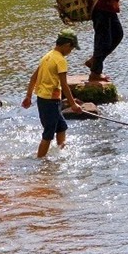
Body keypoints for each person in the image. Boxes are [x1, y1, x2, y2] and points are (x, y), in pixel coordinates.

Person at [22, 29, 83, 158]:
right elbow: (64, 85)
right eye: (71, 49)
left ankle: (61, 153)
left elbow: (33, 78)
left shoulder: (47, 56)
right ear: (67, 45)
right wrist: (73, 105)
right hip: (51, 101)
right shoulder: (60, 60)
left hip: (42, 99)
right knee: (48, 134)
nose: (70, 52)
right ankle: (40, 161)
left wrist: (28, 96)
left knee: (61, 127)